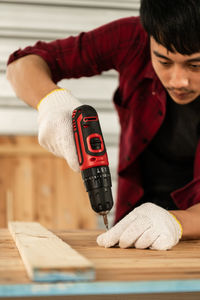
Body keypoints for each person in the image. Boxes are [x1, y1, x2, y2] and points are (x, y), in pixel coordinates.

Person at [6, 0, 200, 250]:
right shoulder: (132, 37)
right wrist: (50, 101)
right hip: (133, 216)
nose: (178, 80)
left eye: (195, 65)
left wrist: (175, 221)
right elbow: (21, 64)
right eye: (163, 61)